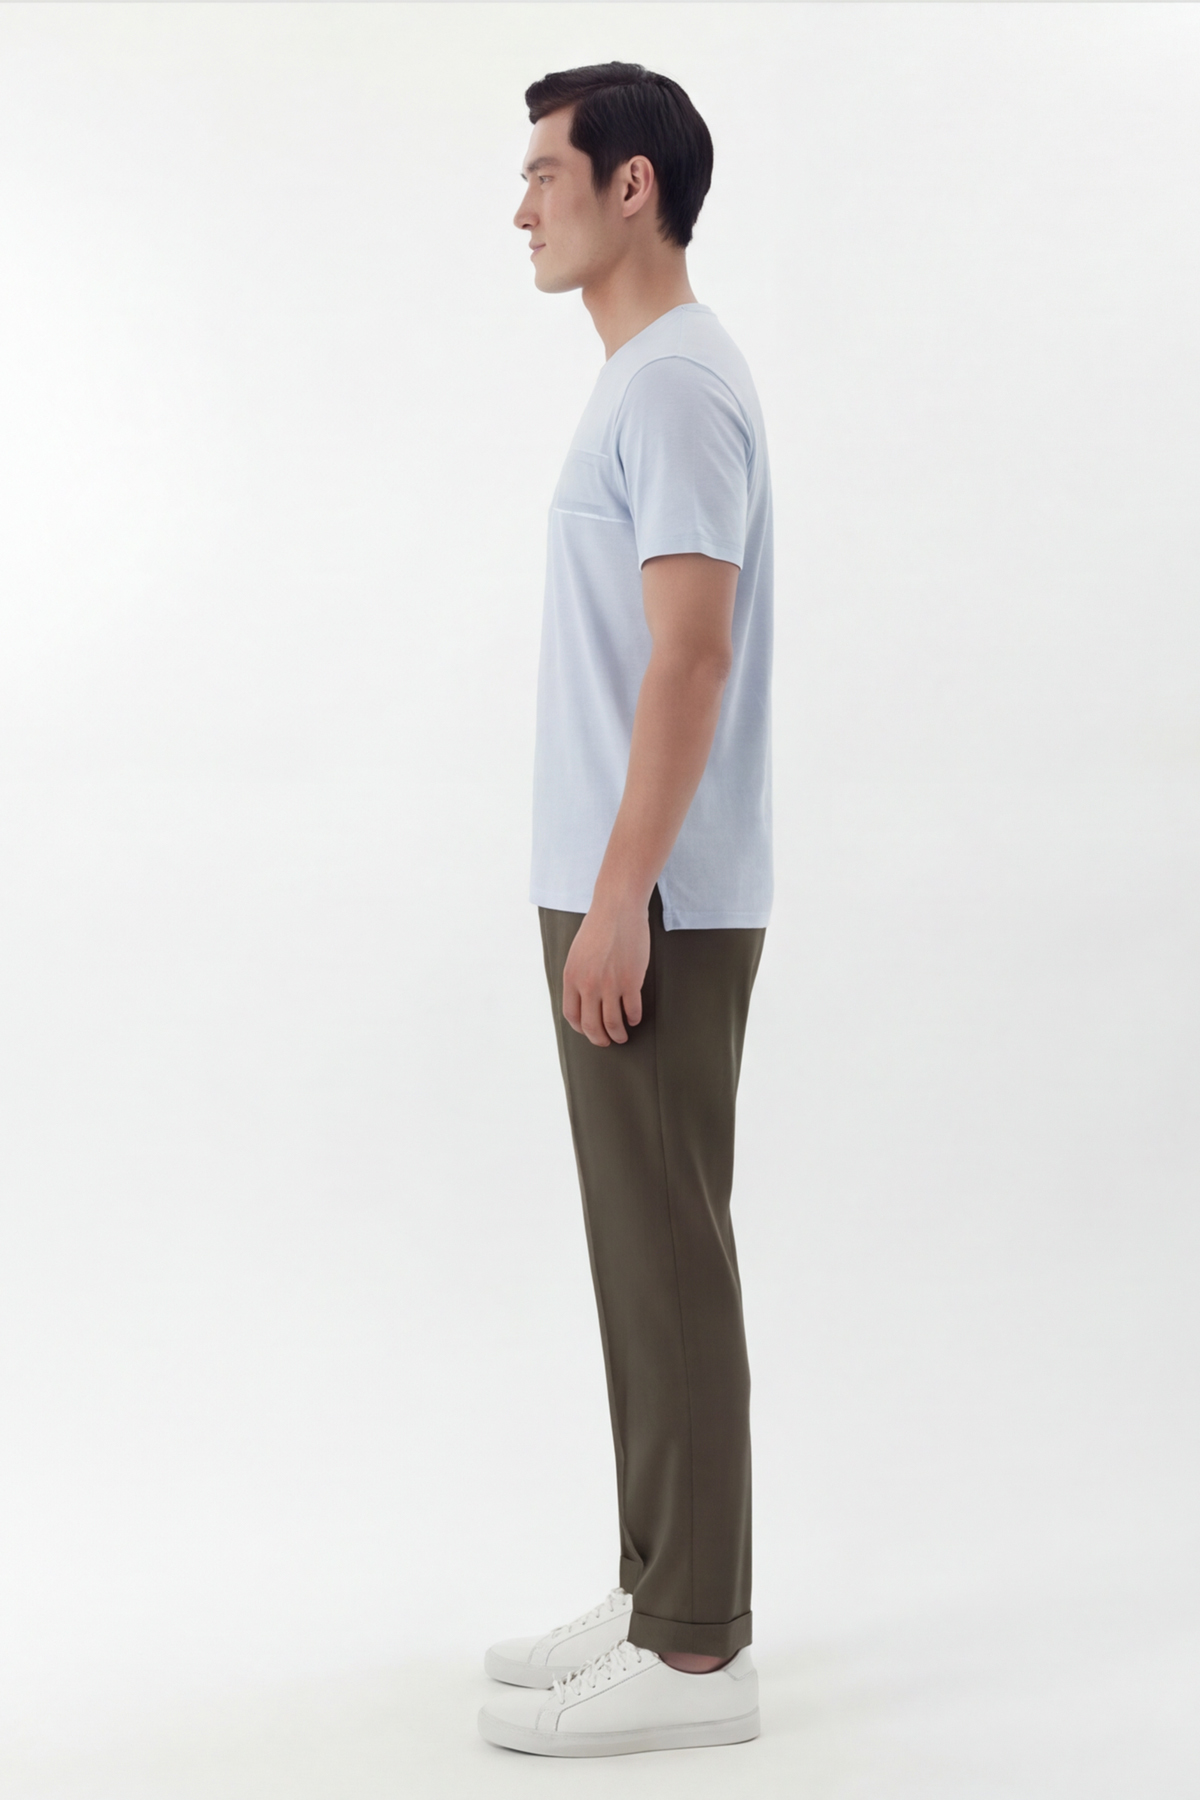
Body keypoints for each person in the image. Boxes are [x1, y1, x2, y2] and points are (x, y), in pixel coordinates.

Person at [478, 61, 774, 1758]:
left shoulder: (672, 386)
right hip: (626, 889)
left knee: (670, 1258)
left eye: (545, 172)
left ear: (632, 185)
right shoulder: (644, 380)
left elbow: (692, 657)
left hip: (651, 898)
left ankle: (697, 1657)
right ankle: (663, 1580)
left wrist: (617, 899)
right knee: (639, 1259)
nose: (522, 206)